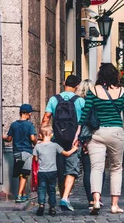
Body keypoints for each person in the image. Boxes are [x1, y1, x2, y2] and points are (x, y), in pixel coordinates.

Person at [76, 63, 124, 215]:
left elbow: (85, 114)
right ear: (115, 75)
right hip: (116, 132)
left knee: (96, 168)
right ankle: (114, 205)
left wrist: (77, 133)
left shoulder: (93, 90)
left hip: (97, 133)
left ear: (100, 75)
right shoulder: (122, 91)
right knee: (116, 168)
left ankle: (96, 200)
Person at [40, 74, 84, 211]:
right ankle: (65, 197)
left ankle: (61, 196)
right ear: (77, 86)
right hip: (74, 140)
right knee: (71, 169)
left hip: (57, 140)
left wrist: (42, 137)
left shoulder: (54, 99)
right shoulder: (80, 101)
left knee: (59, 170)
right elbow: (84, 122)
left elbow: (46, 119)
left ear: (64, 83)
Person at [33, 127, 79, 216]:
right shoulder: (55, 145)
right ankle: (52, 208)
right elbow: (66, 153)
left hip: (42, 172)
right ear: (52, 135)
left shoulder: (37, 146)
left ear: (40, 135)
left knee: (41, 189)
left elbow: (35, 159)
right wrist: (74, 149)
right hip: (52, 172)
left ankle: (41, 205)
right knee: (52, 190)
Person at [75, 79, 105, 210]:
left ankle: (90, 200)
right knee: (99, 169)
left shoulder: (76, 102)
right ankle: (97, 196)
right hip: (96, 138)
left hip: (82, 139)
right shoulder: (95, 102)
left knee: (87, 169)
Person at [3, 104, 37, 203]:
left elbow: (9, 139)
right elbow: (32, 138)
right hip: (26, 152)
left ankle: (23, 194)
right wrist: (36, 142)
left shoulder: (14, 124)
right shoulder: (29, 125)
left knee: (20, 174)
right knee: (25, 174)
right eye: (30, 112)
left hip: (16, 152)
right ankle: (18, 195)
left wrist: (1, 136)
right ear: (27, 114)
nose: (30, 114)